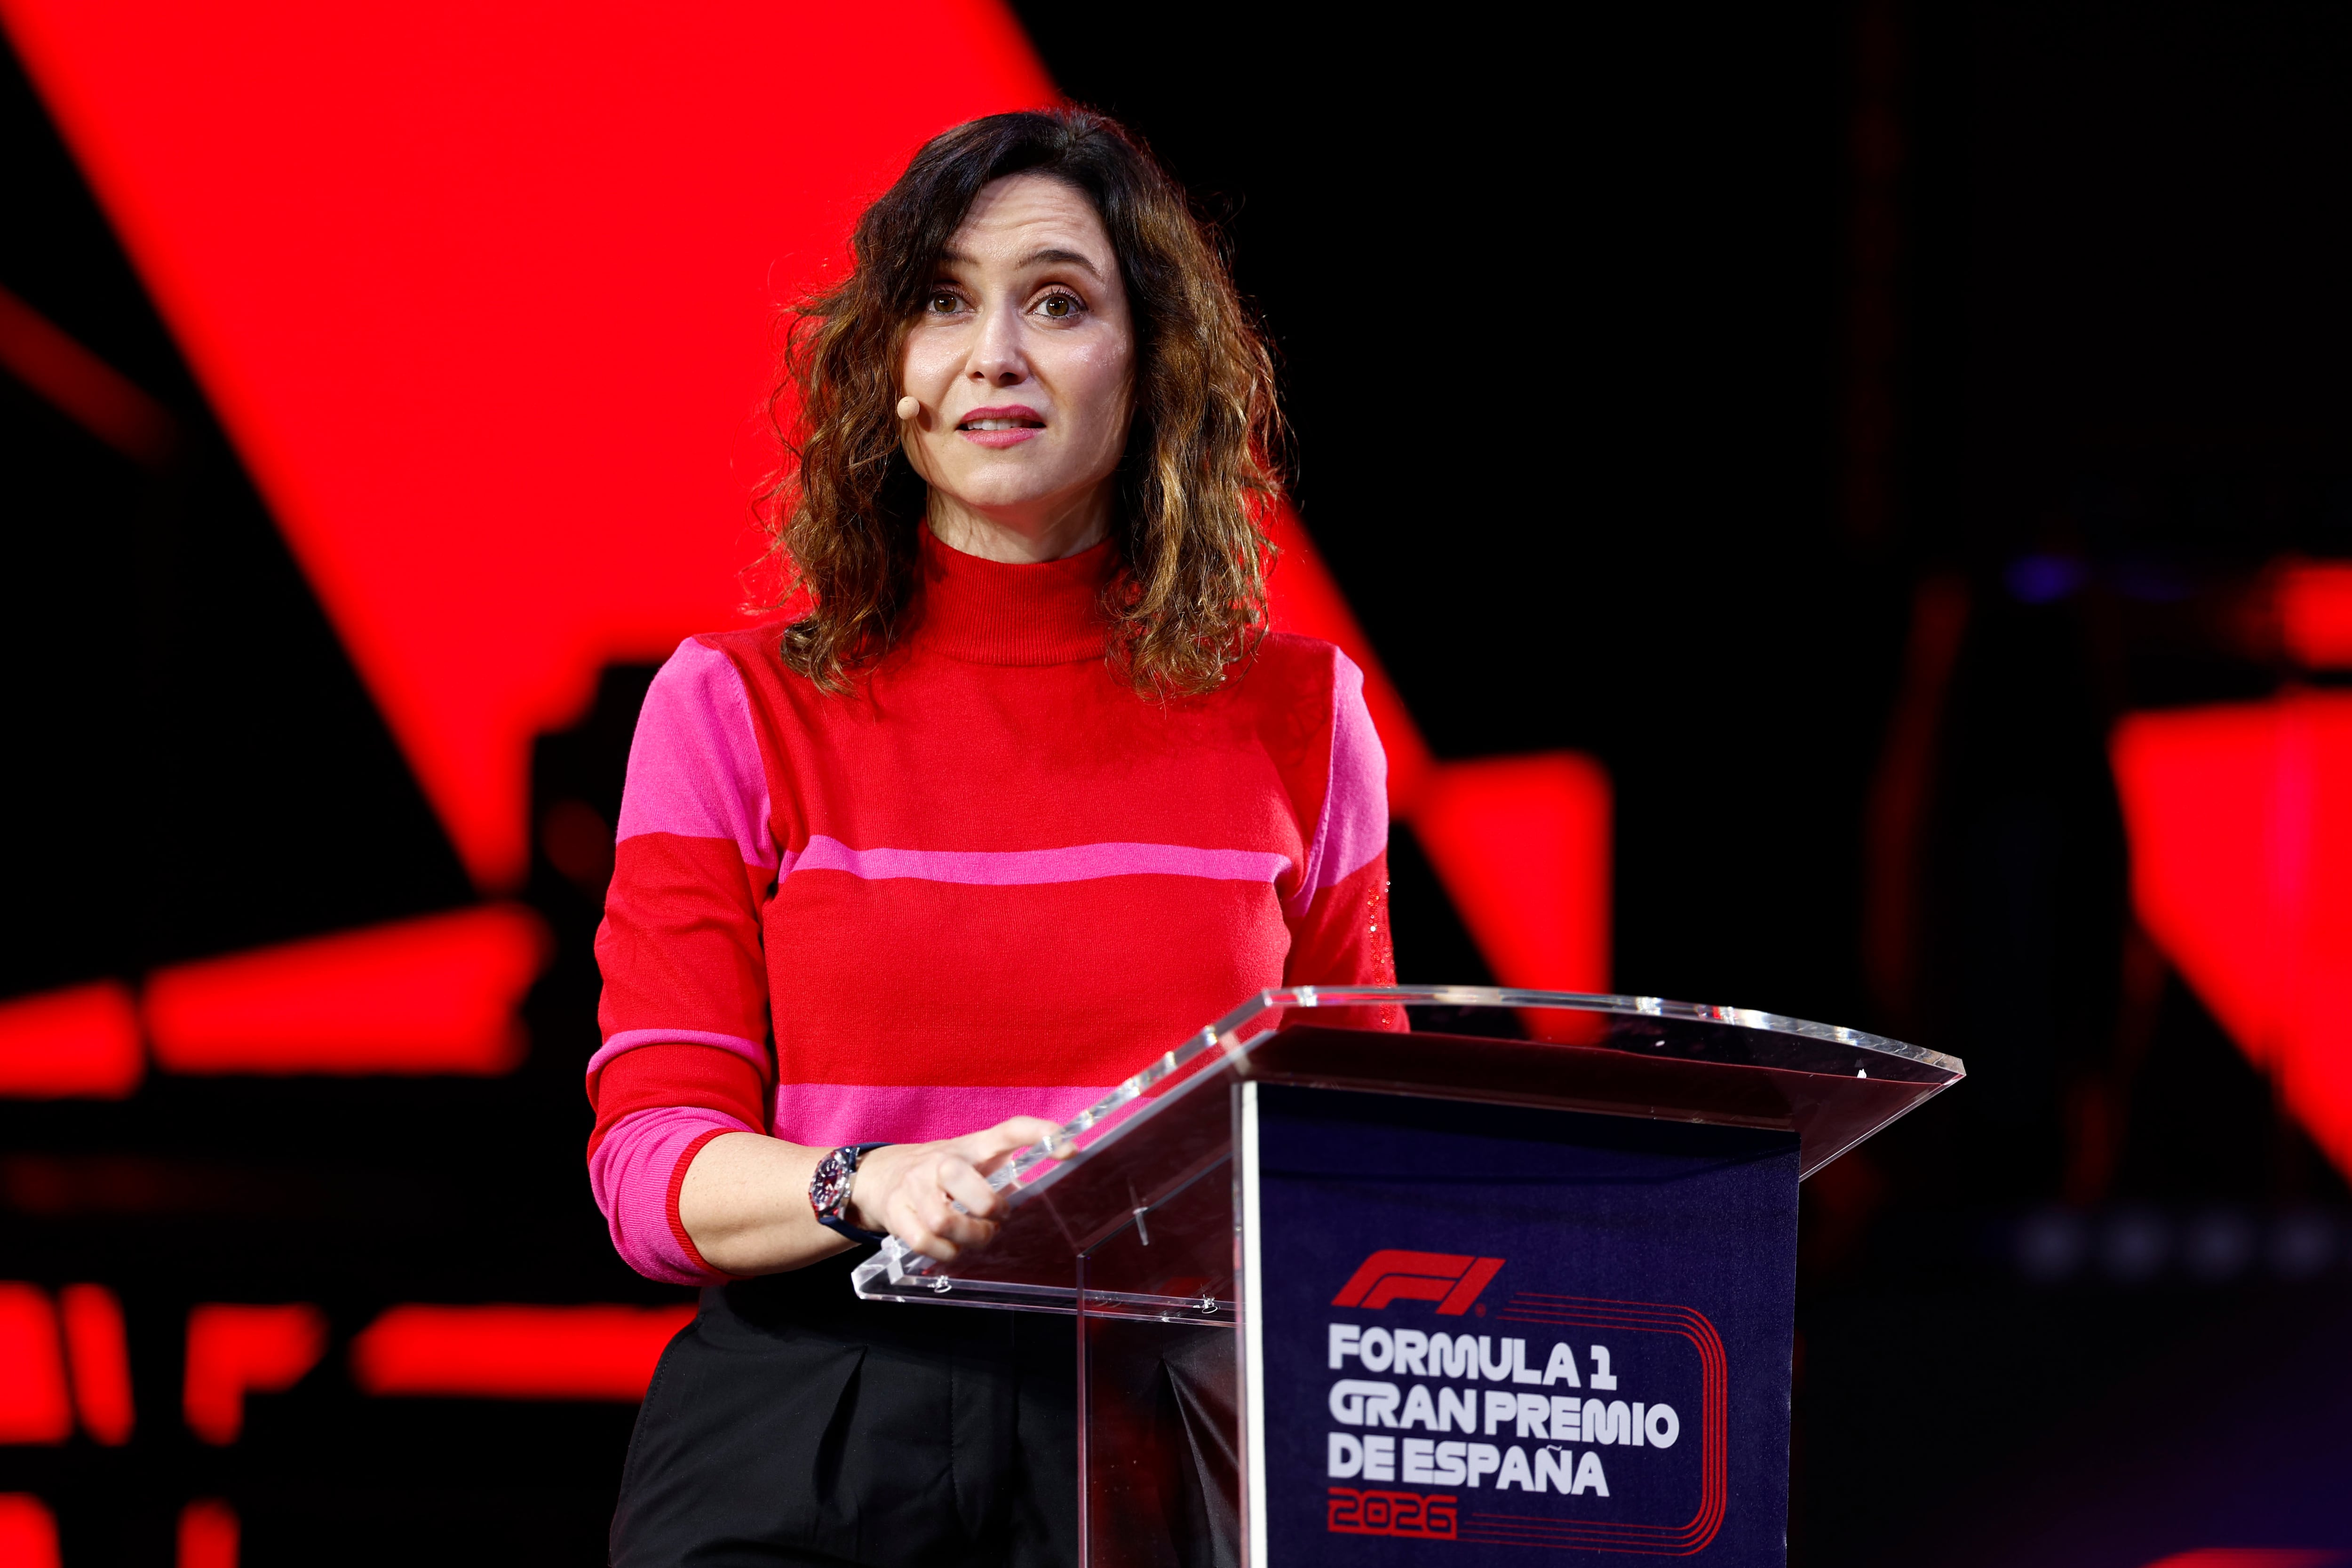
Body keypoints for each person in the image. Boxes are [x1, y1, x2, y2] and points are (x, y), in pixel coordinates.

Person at [588, 107, 1396, 1568]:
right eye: (945, 303)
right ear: (888, 371)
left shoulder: (1304, 715)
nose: (996, 354)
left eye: (1061, 302)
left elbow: (1358, 1158)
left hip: (1171, 1430)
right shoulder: (734, 707)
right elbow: (652, 1169)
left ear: (1152, 368)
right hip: (814, 1420)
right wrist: (872, 1184)